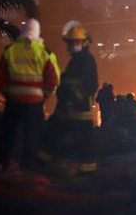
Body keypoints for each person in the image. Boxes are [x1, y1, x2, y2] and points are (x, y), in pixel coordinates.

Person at [0, 18, 59, 171]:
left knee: (8, 134)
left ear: (22, 32)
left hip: (13, 101)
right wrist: (44, 97)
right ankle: (27, 168)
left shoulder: (10, 50)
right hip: (35, 102)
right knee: (31, 136)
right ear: (37, 32)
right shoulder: (45, 53)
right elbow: (53, 80)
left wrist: (7, 93)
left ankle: (2, 164)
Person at [41, 21, 99, 173]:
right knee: (51, 135)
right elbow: (67, 81)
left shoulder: (86, 59)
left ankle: (87, 172)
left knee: (83, 143)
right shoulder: (77, 60)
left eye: (75, 42)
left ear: (84, 42)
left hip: (79, 110)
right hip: (67, 108)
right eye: (71, 43)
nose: (72, 46)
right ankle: (42, 164)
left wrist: (75, 96)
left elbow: (90, 84)